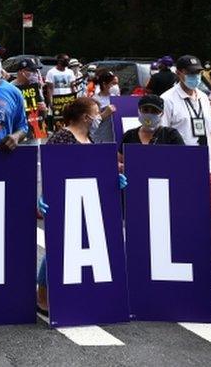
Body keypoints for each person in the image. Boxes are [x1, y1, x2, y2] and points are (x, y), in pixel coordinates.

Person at [36, 97, 129, 312]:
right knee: (58, 248)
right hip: (65, 198)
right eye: (96, 112)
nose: (99, 117)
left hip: (88, 198)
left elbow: (93, 169)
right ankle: (42, 296)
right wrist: (47, 194)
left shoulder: (89, 138)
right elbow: (53, 170)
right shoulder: (63, 137)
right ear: (86, 116)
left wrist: (112, 179)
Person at [161, 55, 211, 284]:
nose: (195, 77)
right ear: (179, 73)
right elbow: (162, 137)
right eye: (190, 73)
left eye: (197, 73)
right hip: (180, 169)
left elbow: (210, 134)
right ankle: (183, 261)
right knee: (182, 216)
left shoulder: (205, 98)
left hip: (205, 166)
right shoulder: (168, 100)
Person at [11, 58, 47, 143]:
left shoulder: (35, 88)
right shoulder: (10, 88)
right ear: (21, 72)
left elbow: (43, 114)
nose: (34, 73)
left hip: (34, 133)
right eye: (31, 70)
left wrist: (44, 109)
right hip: (16, 135)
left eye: (35, 71)